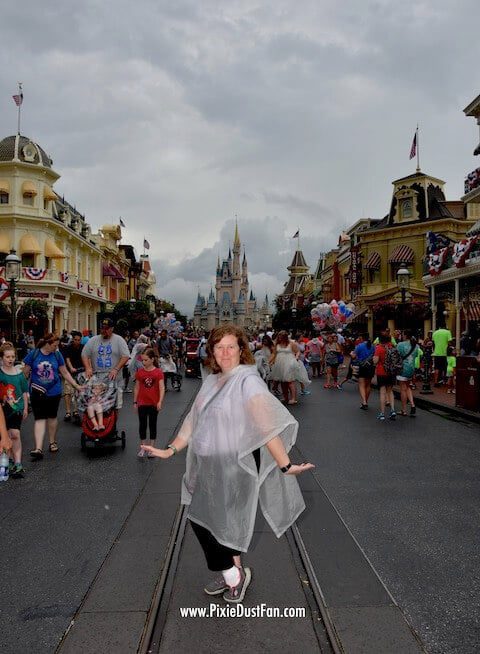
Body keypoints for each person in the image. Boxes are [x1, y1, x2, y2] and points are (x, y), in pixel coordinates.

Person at [141, 324, 314, 603]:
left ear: (241, 349)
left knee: (205, 521)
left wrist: (285, 465)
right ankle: (233, 571)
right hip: (209, 463)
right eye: (219, 347)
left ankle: (233, 575)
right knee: (221, 522)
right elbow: (193, 420)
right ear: (211, 351)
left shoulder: (248, 380)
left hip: (237, 463)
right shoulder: (212, 379)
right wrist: (171, 450)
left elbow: (266, 425)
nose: (225, 352)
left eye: (231, 346)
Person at [23, 333, 84, 459]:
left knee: (52, 417)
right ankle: (38, 448)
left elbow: (65, 372)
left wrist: (76, 386)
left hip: (54, 392)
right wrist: (20, 390)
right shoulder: (34, 354)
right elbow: (25, 373)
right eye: (55, 345)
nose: (56, 348)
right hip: (37, 392)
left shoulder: (57, 354)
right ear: (47, 344)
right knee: (39, 418)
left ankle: (52, 442)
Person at [81, 319, 130, 408]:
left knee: (115, 406)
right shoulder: (93, 340)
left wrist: (116, 369)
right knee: (98, 406)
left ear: (112, 329)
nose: (104, 331)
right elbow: (84, 354)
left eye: (106, 329)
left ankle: (113, 422)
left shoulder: (119, 340)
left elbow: (126, 356)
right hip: (98, 381)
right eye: (102, 328)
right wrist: (88, 367)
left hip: (115, 379)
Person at [0, 342, 29, 477]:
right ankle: (9, 460)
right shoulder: (0, 374)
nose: (10, 359)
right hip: (3, 410)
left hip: (17, 409)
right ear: (2, 358)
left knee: (15, 434)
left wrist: (26, 408)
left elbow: (24, 392)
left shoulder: (19, 374)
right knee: (5, 436)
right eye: (7, 357)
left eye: (12, 356)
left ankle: (18, 464)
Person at [134, 348, 165, 457]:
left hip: (153, 403)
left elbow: (162, 388)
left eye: (146, 360)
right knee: (142, 425)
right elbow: (137, 387)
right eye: (142, 360)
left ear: (152, 359)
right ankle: (143, 447)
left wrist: (160, 401)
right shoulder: (140, 372)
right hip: (142, 403)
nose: (143, 362)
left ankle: (151, 448)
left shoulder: (158, 372)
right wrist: (135, 402)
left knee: (152, 425)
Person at [269, 331, 309, 405]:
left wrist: (296, 358)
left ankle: (293, 398)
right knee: (283, 382)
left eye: (282, 337)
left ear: (285, 337)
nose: (280, 338)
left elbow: (297, 352)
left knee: (290, 381)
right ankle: (286, 397)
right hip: (279, 364)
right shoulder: (277, 344)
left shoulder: (291, 343)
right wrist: (269, 361)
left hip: (289, 363)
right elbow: (274, 353)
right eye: (279, 337)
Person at [373, 332, 396, 421]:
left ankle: (382, 413)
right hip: (391, 372)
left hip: (381, 372)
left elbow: (375, 361)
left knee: (382, 392)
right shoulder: (392, 347)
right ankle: (393, 410)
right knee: (390, 391)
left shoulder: (379, 348)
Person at [396, 330, 419, 417]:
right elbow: (416, 355)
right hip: (411, 368)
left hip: (402, 368)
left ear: (405, 335)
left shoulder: (400, 345)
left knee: (403, 389)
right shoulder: (416, 345)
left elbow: (397, 355)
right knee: (408, 387)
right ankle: (412, 404)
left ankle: (404, 410)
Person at [64, 330, 84, 422]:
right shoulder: (69, 347)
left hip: (80, 372)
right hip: (69, 373)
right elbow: (67, 359)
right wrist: (71, 368)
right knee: (67, 392)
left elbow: (86, 358)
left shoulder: (83, 348)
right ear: (73, 339)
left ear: (81, 340)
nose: (77, 341)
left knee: (77, 392)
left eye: (78, 340)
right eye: (75, 339)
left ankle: (75, 411)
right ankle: (68, 412)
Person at [351, 332, 375, 409]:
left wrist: (351, 354)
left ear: (362, 338)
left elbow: (354, 356)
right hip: (371, 367)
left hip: (362, 367)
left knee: (361, 385)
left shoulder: (359, 346)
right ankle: (365, 402)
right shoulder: (373, 346)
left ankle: (364, 402)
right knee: (368, 385)